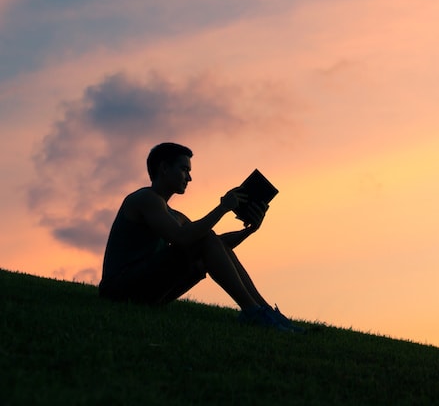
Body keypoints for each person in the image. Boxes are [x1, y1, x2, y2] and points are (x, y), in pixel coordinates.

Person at [98, 142, 301, 332]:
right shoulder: (146, 199)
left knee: (207, 238)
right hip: (120, 291)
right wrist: (222, 208)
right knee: (204, 237)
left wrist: (249, 230)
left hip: (143, 290)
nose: (189, 178)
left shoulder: (172, 214)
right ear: (164, 168)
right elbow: (181, 237)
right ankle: (253, 312)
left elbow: (215, 246)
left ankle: (264, 312)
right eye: (184, 169)